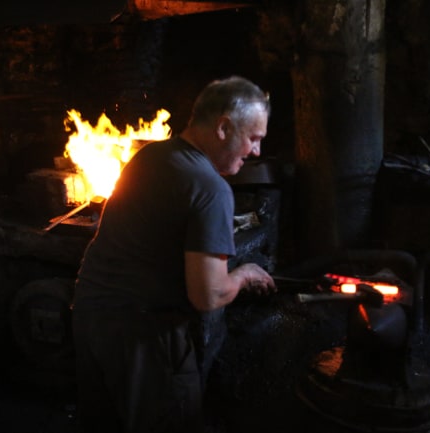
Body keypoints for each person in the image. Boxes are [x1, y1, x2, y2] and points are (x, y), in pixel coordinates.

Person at [71, 75, 277, 433]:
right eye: (254, 138)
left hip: (91, 319)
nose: (256, 152)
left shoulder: (149, 155)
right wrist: (244, 275)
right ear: (224, 127)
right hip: (144, 338)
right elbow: (208, 295)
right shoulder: (212, 190)